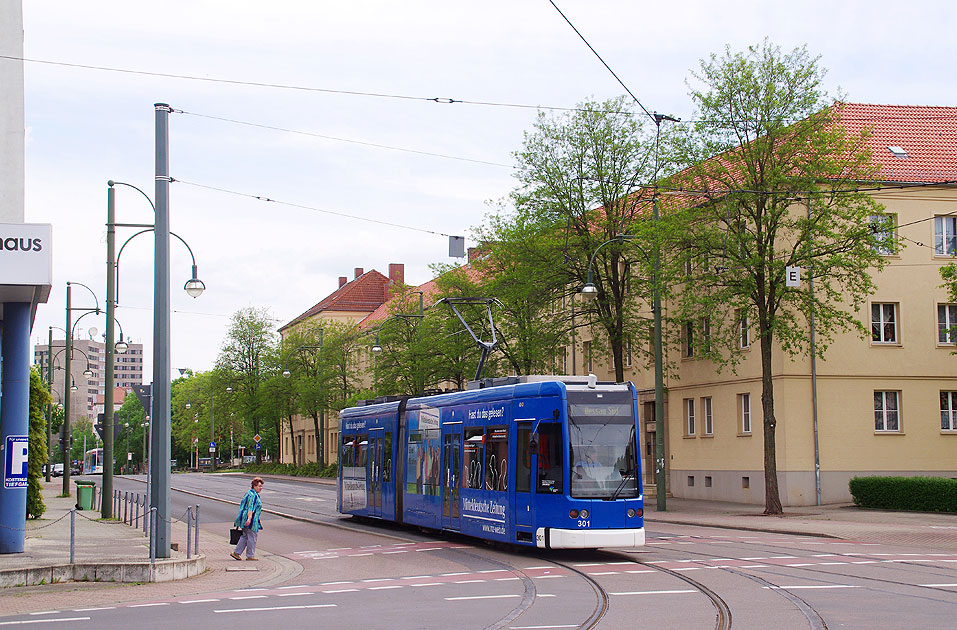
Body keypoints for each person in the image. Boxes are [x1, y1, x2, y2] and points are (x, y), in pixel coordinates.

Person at [231, 477, 264, 561]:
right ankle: (250, 555)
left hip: (243, 518)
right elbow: (251, 508)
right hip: (251, 520)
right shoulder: (253, 496)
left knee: (245, 536)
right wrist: (249, 519)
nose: (261, 488)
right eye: (259, 486)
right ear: (254, 486)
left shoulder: (249, 493)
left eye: (261, 486)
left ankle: (236, 553)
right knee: (252, 537)